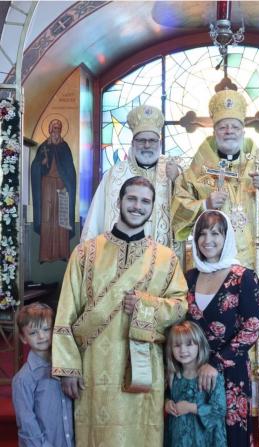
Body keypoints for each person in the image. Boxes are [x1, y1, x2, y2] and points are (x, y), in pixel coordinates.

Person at [172, 89, 259, 416]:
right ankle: (208, 399)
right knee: (214, 325)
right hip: (209, 268)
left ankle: (256, 404)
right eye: (223, 126)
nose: (229, 132)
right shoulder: (199, 167)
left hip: (249, 266)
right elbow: (177, 211)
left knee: (248, 324)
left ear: (243, 129)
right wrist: (205, 205)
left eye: (234, 127)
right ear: (214, 130)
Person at [52, 176, 188, 446]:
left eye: (145, 201)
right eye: (132, 199)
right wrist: (68, 368)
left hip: (142, 366)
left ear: (152, 208)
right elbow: (66, 310)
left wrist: (145, 305)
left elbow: (180, 307)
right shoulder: (84, 254)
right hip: (93, 366)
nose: (138, 206)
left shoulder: (166, 258)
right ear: (119, 201)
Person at [185, 210, 259, 446]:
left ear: (226, 237)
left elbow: (252, 327)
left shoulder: (244, 277)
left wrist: (216, 364)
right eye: (202, 234)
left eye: (216, 233)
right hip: (193, 369)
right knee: (196, 433)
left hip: (230, 371)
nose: (208, 240)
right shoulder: (189, 277)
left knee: (231, 435)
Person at [81, 105, 181, 252]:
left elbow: (188, 214)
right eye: (141, 140)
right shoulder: (115, 174)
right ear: (133, 142)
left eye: (152, 140)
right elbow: (95, 220)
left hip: (161, 261)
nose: (147, 145)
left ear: (159, 143)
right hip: (120, 258)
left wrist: (177, 181)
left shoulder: (173, 171)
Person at [12, 302, 74, 447]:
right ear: (23, 337)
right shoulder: (23, 379)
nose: (41, 336)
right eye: (33, 333)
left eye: (46, 329)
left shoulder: (67, 368)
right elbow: (27, 423)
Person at [164, 320, 227, 447]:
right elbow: (169, 397)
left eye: (189, 344)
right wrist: (167, 403)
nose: (183, 350)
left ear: (199, 345)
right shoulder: (173, 376)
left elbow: (219, 410)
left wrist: (191, 407)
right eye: (177, 345)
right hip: (179, 438)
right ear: (170, 349)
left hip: (204, 439)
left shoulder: (210, 376)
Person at [31, 118, 77, 262]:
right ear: (50, 131)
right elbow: (35, 167)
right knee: (47, 217)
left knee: (62, 217)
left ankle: (63, 253)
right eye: (54, 129)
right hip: (46, 186)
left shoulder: (65, 147)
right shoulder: (44, 147)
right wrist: (41, 163)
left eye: (58, 129)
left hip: (62, 185)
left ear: (60, 131)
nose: (56, 131)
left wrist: (68, 183)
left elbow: (70, 170)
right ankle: (45, 254)